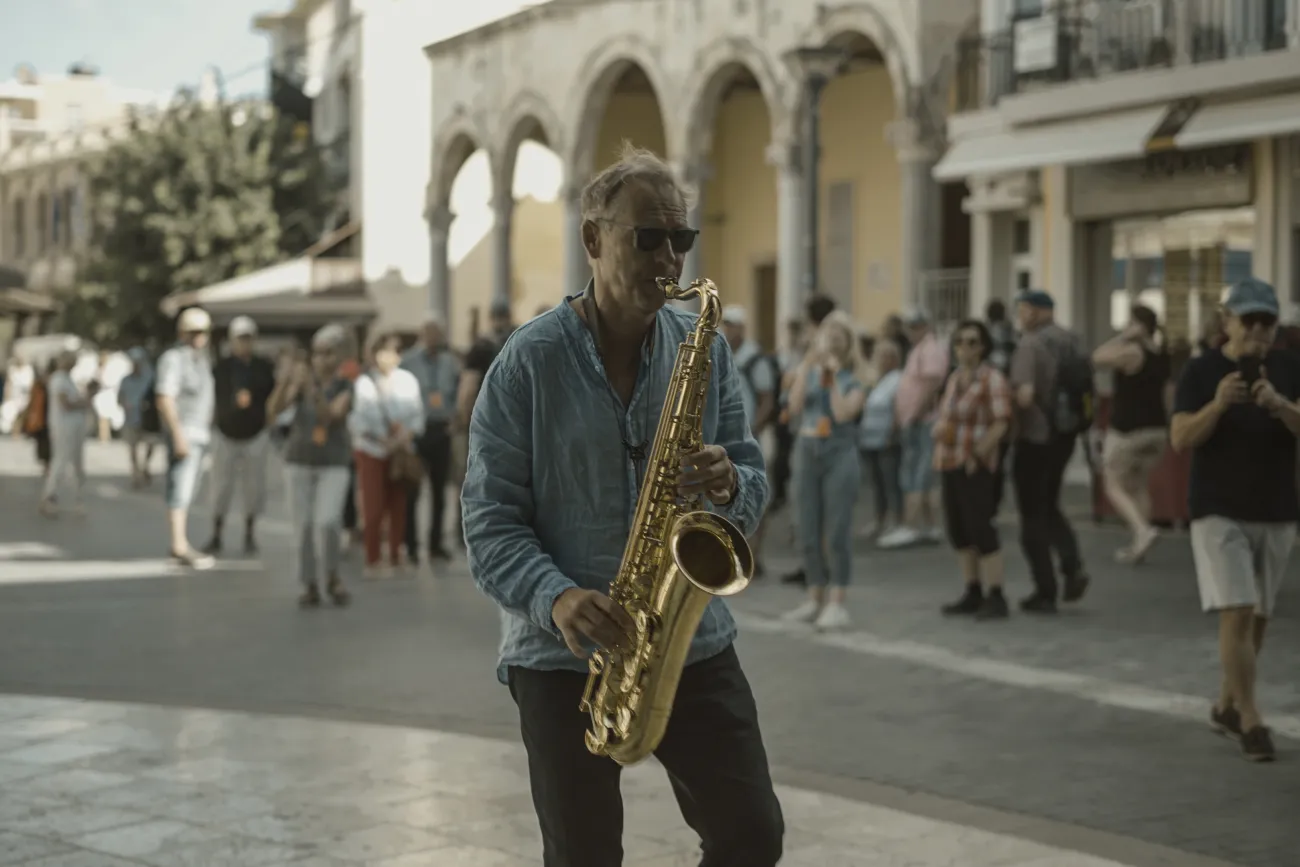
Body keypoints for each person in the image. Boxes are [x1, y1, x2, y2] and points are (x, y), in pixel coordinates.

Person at [461, 143, 782, 867]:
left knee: (752, 835)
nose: (669, 258)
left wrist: (731, 482)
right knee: (583, 857)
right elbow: (487, 521)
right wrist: (557, 597)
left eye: (681, 239)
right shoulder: (528, 362)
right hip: (562, 652)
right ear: (593, 239)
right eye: (648, 238)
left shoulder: (705, 346)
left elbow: (754, 477)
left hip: (689, 641)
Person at [1170, 278, 1300, 763]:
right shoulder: (1202, 371)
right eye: (1250, 321)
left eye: (1268, 323)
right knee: (1238, 610)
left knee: (1259, 617)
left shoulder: (1289, 368)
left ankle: (1225, 703)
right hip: (1218, 507)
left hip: (1277, 508)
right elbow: (1181, 437)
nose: (1259, 333)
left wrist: (1281, 406)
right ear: (1227, 322)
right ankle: (1250, 717)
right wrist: (1219, 405)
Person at [782, 311, 867, 629]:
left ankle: (837, 601)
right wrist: (807, 365)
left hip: (839, 454)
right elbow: (793, 406)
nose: (831, 340)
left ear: (847, 343)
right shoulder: (810, 371)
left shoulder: (855, 378)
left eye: (838, 336)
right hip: (807, 451)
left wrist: (832, 378)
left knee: (836, 531)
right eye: (827, 334)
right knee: (805, 527)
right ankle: (814, 595)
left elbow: (845, 413)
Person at [1008, 289, 1090, 612]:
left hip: (1035, 438)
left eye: (1024, 309)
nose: (1021, 315)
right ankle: (1072, 565)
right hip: (1065, 434)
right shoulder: (1071, 339)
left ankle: (1045, 589)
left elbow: (1025, 395)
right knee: (1050, 504)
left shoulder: (1031, 344)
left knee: (1031, 514)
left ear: (1036, 311)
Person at [268, 324, 355, 608]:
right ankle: (309, 582)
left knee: (328, 521)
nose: (322, 359)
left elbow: (330, 416)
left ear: (339, 356)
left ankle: (332, 575)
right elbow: (273, 411)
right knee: (302, 526)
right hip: (298, 460)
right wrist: (286, 381)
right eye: (317, 353)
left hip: (334, 462)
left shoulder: (346, 384)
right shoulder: (301, 380)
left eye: (328, 353)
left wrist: (312, 389)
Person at [933, 320, 1012, 620]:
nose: (965, 348)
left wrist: (978, 454)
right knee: (958, 528)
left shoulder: (992, 379)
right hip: (949, 459)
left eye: (972, 342)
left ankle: (996, 593)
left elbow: (1002, 421)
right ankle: (972, 588)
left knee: (981, 526)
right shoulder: (954, 379)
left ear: (983, 347)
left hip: (974, 463)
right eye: (960, 342)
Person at [1092, 305, 1171, 564]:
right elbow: (1168, 394)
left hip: (1128, 430)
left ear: (1138, 325)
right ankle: (1140, 545)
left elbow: (1097, 358)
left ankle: (1142, 530)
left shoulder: (1132, 352)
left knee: (1112, 483)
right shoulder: (1160, 354)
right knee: (1137, 485)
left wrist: (1123, 337)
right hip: (1157, 430)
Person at [348, 332, 425, 577]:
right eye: (384, 351)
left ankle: (395, 554)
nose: (389, 356)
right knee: (373, 507)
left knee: (399, 505)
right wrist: (384, 440)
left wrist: (403, 438)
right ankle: (373, 558)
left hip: (400, 451)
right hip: (371, 450)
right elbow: (358, 420)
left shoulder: (407, 380)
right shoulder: (363, 384)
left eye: (394, 351)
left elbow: (417, 416)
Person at [205, 316, 276, 555]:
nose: (244, 344)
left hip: (255, 434)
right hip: (226, 433)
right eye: (240, 339)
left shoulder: (263, 367)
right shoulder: (222, 367)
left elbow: (272, 397)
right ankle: (217, 532)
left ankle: (249, 532)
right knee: (221, 486)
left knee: (254, 487)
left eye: (248, 339)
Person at [878, 310, 949, 549]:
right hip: (914, 419)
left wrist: (916, 413)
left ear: (927, 327)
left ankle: (910, 526)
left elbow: (931, 385)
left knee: (916, 474)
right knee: (919, 473)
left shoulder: (930, 349)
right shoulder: (919, 350)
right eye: (910, 327)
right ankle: (928, 526)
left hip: (921, 421)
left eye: (917, 326)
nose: (912, 331)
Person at [155, 306, 217, 569]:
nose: (198, 337)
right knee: (180, 487)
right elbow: (165, 398)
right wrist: (178, 434)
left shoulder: (201, 359)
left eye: (202, 332)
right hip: (185, 432)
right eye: (193, 332)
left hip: (200, 432)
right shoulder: (174, 359)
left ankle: (181, 541)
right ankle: (178, 544)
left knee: (189, 488)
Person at [720, 304, 777, 576]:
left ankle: (754, 554)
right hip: (729, 436)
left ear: (742, 327)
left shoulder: (756, 359)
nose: (727, 329)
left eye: (732, 324)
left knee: (757, 491)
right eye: (726, 324)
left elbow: (767, 398)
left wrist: (754, 430)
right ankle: (735, 555)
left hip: (754, 434)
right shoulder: (720, 352)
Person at [400, 312, 461, 565]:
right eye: (429, 331)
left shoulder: (450, 362)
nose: (433, 336)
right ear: (422, 334)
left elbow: (458, 391)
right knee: (413, 491)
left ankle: (435, 544)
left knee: (439, 491)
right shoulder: (408, 361)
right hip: (417, 429)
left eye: (437, 332)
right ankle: (411, 545)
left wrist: (455, 419)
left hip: (441, 430)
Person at [858, 339, 904, 538]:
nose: (881, 360)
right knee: (877, 484)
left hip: (887, 440)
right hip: (869, 439)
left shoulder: (897, 379)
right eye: (879, 356)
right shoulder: (877, 380)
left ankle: (896, 521)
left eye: (886, 356)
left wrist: (893, 434)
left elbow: (898, 409)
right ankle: (880, 520)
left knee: (891, 482)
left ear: (895, 359)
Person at [39, 349, 92, 517]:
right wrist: (83, 402)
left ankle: (77, 499)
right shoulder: (59, 379)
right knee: (60, 461)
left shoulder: (68, 379)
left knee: (76, 463)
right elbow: (65, 403)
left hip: (74, 427)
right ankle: (50, 496)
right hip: (64, 427)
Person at [117, 347, 157, 488]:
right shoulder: (126, 381)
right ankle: (135, 473)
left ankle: (145, 465)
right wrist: (124, 404)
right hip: (131, 418)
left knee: (151, 444)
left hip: (147, 419)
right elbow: (119, 398)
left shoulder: (149, 379)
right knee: (132, 447)